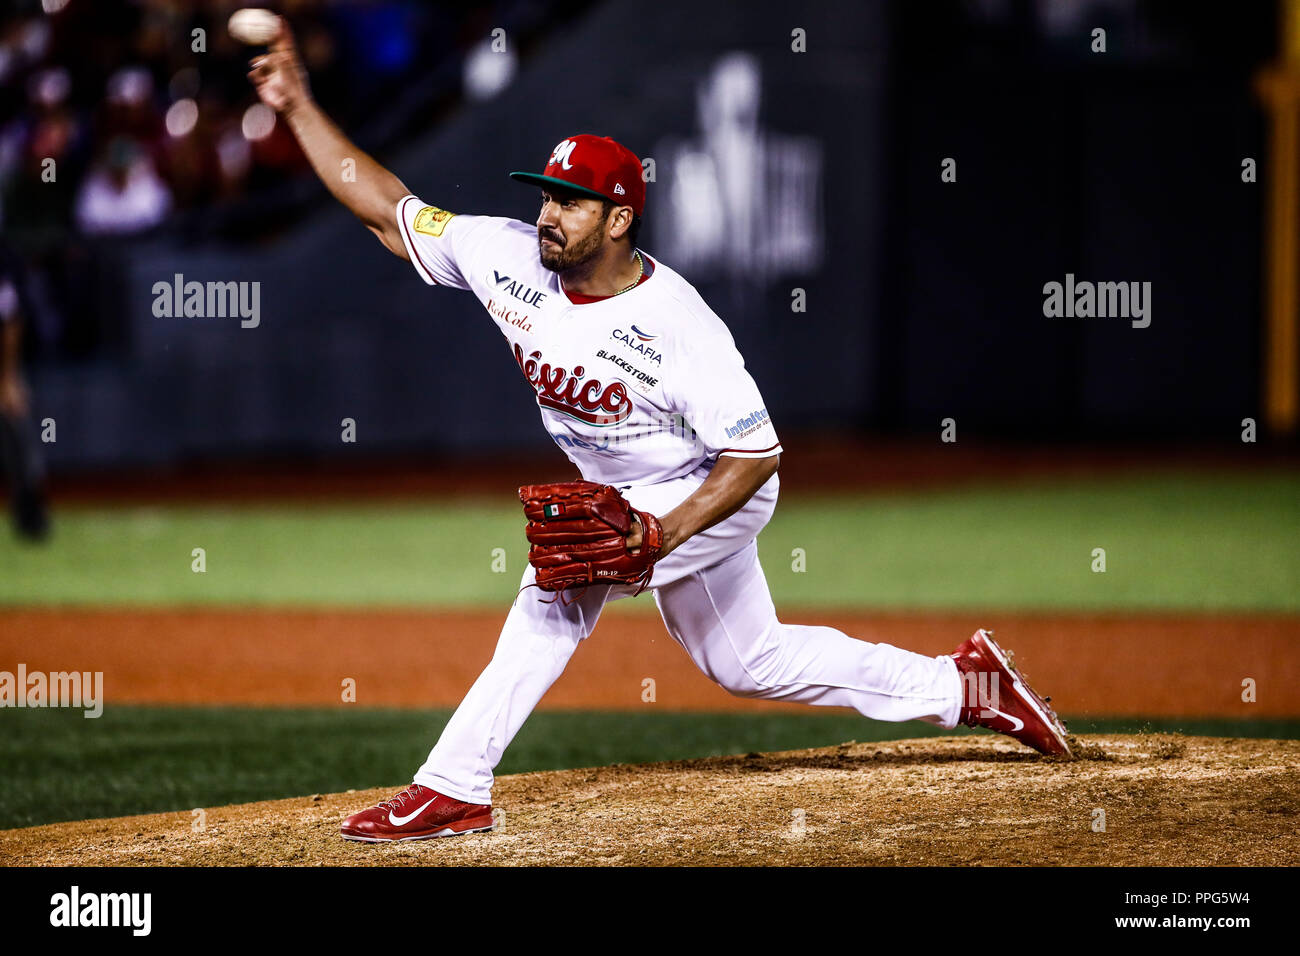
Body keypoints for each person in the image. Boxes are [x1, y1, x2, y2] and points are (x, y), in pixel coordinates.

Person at [246, 23, 1070, 843]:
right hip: (636, 495)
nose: (547, 214)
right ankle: (967, 688)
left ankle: (453, 787)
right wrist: (297, 106)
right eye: (544, 195)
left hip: (715, 484)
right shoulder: (505, 257)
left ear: (619, 219)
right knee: (749, 663)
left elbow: (758, 453)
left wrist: (659, 531)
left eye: (569, 201)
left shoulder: (677, 325)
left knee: (556, 591)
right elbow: (390, 210)